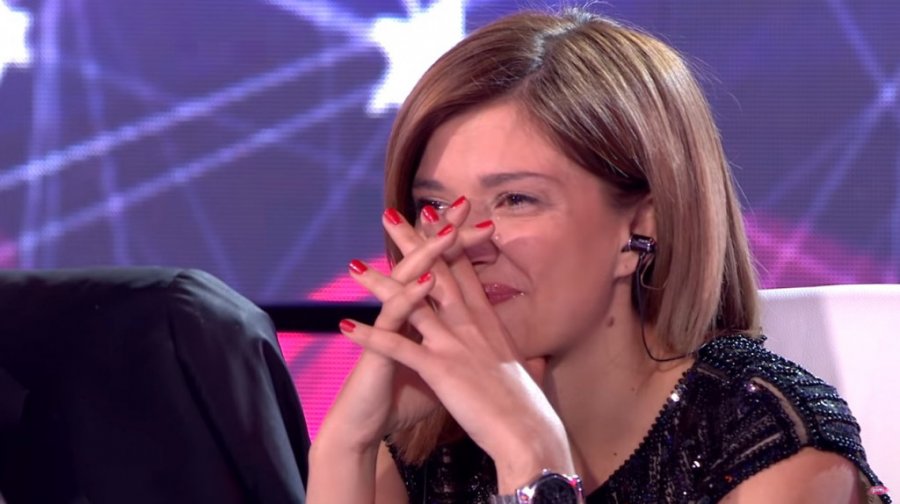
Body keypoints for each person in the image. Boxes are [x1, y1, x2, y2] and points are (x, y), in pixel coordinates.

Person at [308, 8, 888, 504]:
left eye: (515, 199)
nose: (463, 241)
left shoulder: (775, 449)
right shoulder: (421, 443)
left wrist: (533, 466)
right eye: (434, 206)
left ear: (641, 225)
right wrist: (345, 447)